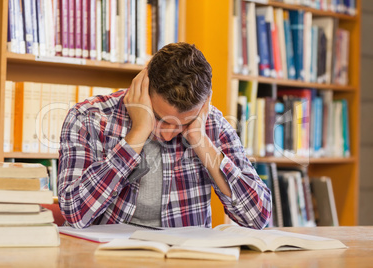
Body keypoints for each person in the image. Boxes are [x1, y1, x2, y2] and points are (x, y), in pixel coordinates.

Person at [58, 42, 272, 229]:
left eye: (183, 123)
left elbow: (258, 217)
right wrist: (138, 133)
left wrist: (199, 139)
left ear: (204, 104)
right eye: (159, 119)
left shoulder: (211, 123)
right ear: (143, 87)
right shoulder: (88, 118)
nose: (169, 134)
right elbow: (75, 213)